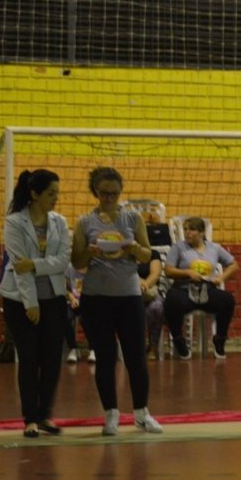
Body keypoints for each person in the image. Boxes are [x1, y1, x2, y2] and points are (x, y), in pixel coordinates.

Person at [71, 166, 162, 435]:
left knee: (136, 357)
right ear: (95, 192)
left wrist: (133, 247)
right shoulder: (85, 223)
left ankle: (142, 413)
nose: (109, 197)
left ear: (121, 191)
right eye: (103, 193)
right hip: (96, 297)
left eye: (114, 193)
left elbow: (146, 255)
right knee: (106, 358)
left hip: (129, 295)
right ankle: (111, 413)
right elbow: (76, 261)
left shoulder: (133, 219)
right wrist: (90, 251)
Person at [0, 169, 71, 438]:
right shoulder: (15, 223)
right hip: (20, 300)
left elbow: (64, 260)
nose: (56, 198)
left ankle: (45, 415)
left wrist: (36, 264)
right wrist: (31, 304)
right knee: (29, 359)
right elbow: (20, 267)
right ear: (34, 194)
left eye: (57, 193)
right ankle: (30, 418)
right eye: (51, 193)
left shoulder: (60, 222)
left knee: (52, 359)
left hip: (54, 297)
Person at [163, 216, 238, 360]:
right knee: (172, 301)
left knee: (227, 300)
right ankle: (178, 339)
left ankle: (220, 339)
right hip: (184, 288)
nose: (187, 233)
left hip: (207, 289)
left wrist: (220, 278)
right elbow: (168, 270)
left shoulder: (214, 248)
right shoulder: (178, 247)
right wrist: (187, 272)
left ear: (202, 232)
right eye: (185, 229)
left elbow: (234, 265)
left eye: (192, 229)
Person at [139, 248, 164, 360]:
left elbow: (155, 274)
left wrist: (144, 285)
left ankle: (153, 346)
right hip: (128, 289)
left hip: (148, 289)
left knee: (157, 307)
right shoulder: (122, 253)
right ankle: (137, 346)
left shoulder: (153, 253)